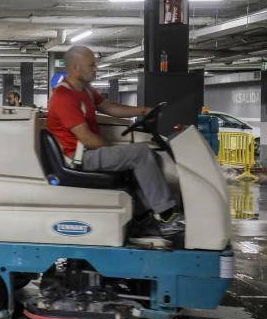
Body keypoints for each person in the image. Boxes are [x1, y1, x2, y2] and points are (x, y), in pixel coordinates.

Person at [46, 45, 184, 236]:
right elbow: (87, 139)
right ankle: (168, 216)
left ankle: (142, 216)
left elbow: (110, 107)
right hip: (80, 158)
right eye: (92, 65)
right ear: (76, 67)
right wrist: (116, 151)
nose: (96, 69)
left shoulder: (85, 90)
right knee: (140, 154)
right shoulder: (63, 97)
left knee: (143, 153)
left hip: (89, 152)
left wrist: (143, 111)